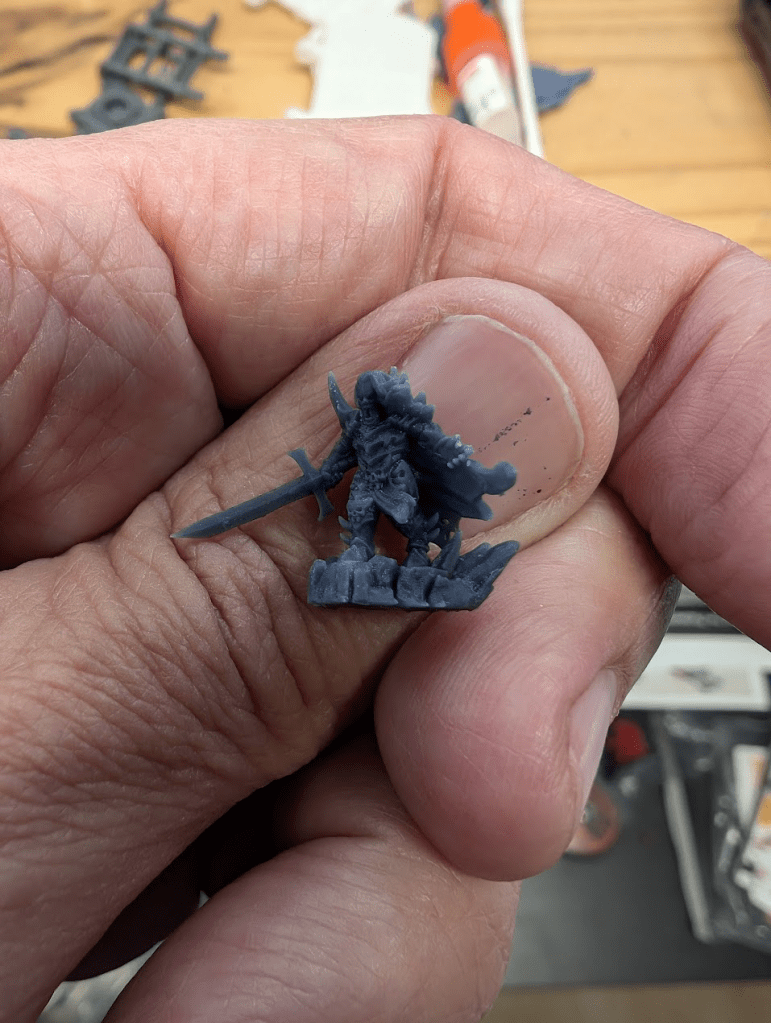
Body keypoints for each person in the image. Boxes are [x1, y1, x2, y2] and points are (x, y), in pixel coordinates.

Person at [1, 116, 768, 1023]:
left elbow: (447, 476)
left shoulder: (416, 436)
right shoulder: (374, 426)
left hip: (412, 512)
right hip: (369, 510)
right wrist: (280, 553)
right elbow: (337, 475)